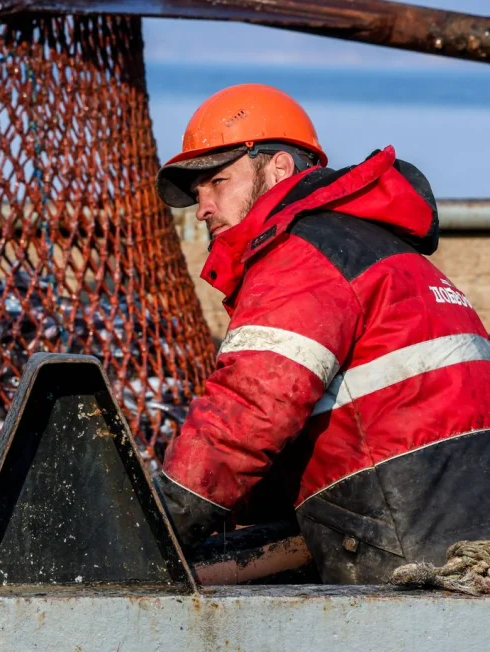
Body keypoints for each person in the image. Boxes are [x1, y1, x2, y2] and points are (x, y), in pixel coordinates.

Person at [153, 83, 490, 584]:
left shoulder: (299, 254)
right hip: (458, 534)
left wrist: (154, 524)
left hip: (409, 560)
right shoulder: (371, 247)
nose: (202, 207)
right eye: (197, 193)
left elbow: (247, 413)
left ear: (279, 168)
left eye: (217, 182)